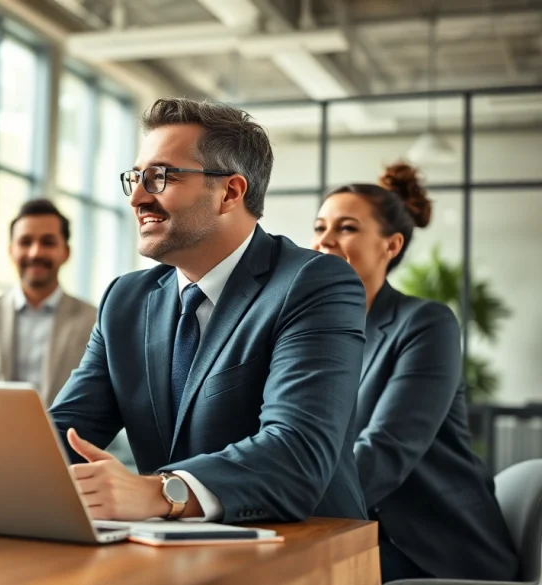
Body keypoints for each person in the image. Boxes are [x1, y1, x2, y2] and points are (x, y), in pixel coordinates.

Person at [47, 97, 369, 524]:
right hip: (169, 555)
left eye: (160, 177)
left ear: (230, 192)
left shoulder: (315, 283)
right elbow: (64, 432)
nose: (138, 198)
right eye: (136, 178)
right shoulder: (125, 301)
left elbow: (297, 452)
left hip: (302, 552)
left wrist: (161, 493)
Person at [312, 163, 518, 582]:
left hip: (435, 549)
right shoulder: (319, 335)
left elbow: (385, 451)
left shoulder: (426, 324)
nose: (324, 240)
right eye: (319, 227)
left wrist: (285, 499)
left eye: (346, 228)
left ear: (391, 245)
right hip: (357, 530)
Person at [0, 198, 97, 407]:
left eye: (47, 242)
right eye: (25, 242)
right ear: (11, 250)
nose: (35, 252)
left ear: (65, 252)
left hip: (64, 438)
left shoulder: (93, 320)